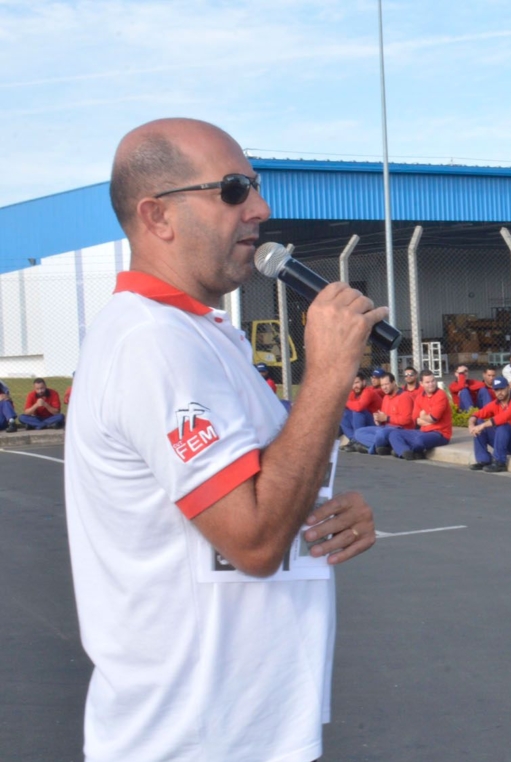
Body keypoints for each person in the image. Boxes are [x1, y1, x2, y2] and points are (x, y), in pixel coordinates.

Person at [65, 118, 380, 761]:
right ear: (158, 217)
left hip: (242, 731)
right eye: (233, 190)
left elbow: (261, 495)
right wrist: (325, 376)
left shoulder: (204, 336)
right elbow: (254, 540)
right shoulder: (152, 343)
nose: (259, 208)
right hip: (190, 740)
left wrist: (323, 515)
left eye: (255, 187)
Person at [468, 377, 511, 473]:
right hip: (503, 441)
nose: (499, 392)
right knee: (478, 422)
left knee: (502, 424)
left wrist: (483, 426)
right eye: (496, 390)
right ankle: (484, 460)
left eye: (502, 389)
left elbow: (505, 417)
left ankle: (500, 462)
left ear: (508, 388)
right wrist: (471, 424)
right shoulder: (495, 403)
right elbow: (477, 414)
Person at [389, 369, 452, 460]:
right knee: (394, 434)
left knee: (419, 440)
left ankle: (403, 450)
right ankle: (406, 452)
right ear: (421, 384)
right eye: (427, 382)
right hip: (423, 431)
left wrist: (423, 417)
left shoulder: (440, 395)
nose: (431, 384)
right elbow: (415, 419)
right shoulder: (420, 397)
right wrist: (426, 419)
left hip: (440, 434)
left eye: (433, 381)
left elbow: (433, 418)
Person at [346, 372, 411, 455]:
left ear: (394, 383)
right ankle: (383, 446)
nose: (384, 387)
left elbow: (407, 420)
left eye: (386, 384)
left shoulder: (404, 396)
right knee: (359, 432)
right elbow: (383, 419)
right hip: (385, 427)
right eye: (382, 385)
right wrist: (378, 420)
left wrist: (387, 418)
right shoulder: (386, 397)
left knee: (381, 434)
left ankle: (371, 447)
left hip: (398, 430)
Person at [340, 370, 381, 441]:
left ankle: (359, 439)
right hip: (363, 422)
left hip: (376, 423)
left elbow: (359, 407)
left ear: (364, 382)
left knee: (358, 412)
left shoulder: (368, 392)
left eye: (357, 382)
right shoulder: (353, 393)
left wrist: (345, 401)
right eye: (352, 383)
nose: (355, 386)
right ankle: (353, 440)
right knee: (342, 413)